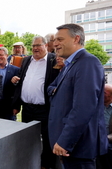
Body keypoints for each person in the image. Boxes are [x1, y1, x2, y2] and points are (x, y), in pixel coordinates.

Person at [47, 23, 108, 169]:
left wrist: (65, 141)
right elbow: (53, 91)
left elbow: (83, 108)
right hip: (72, 146)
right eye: (55, 40)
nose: (55, 44)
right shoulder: (71, 64)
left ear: (76, 39)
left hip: (79, 146)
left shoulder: (88, 62)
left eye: (60, 39)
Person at [12, 36, 59, 169]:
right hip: (27, 109)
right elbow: (22, 82)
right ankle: (27, 163)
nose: (35, 48)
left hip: (45, 109)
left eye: (38, 45)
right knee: (27, 139)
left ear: (46, 46)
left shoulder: (53, 59)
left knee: (48, 139)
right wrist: (16, 105)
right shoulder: (26, 60)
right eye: (33, 46)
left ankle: (46, 166)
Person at [0, 47, 19, 120]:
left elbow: (18, 90)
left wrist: (16, 106)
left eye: (1, 55)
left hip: (9, 107)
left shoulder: (16, 70)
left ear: (7, 55)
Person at [96, 84, 112, 169]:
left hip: (108, 144)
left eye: (104, 93)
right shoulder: (97, 106)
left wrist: (104, 138)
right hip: (96, 143)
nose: (101, 94)